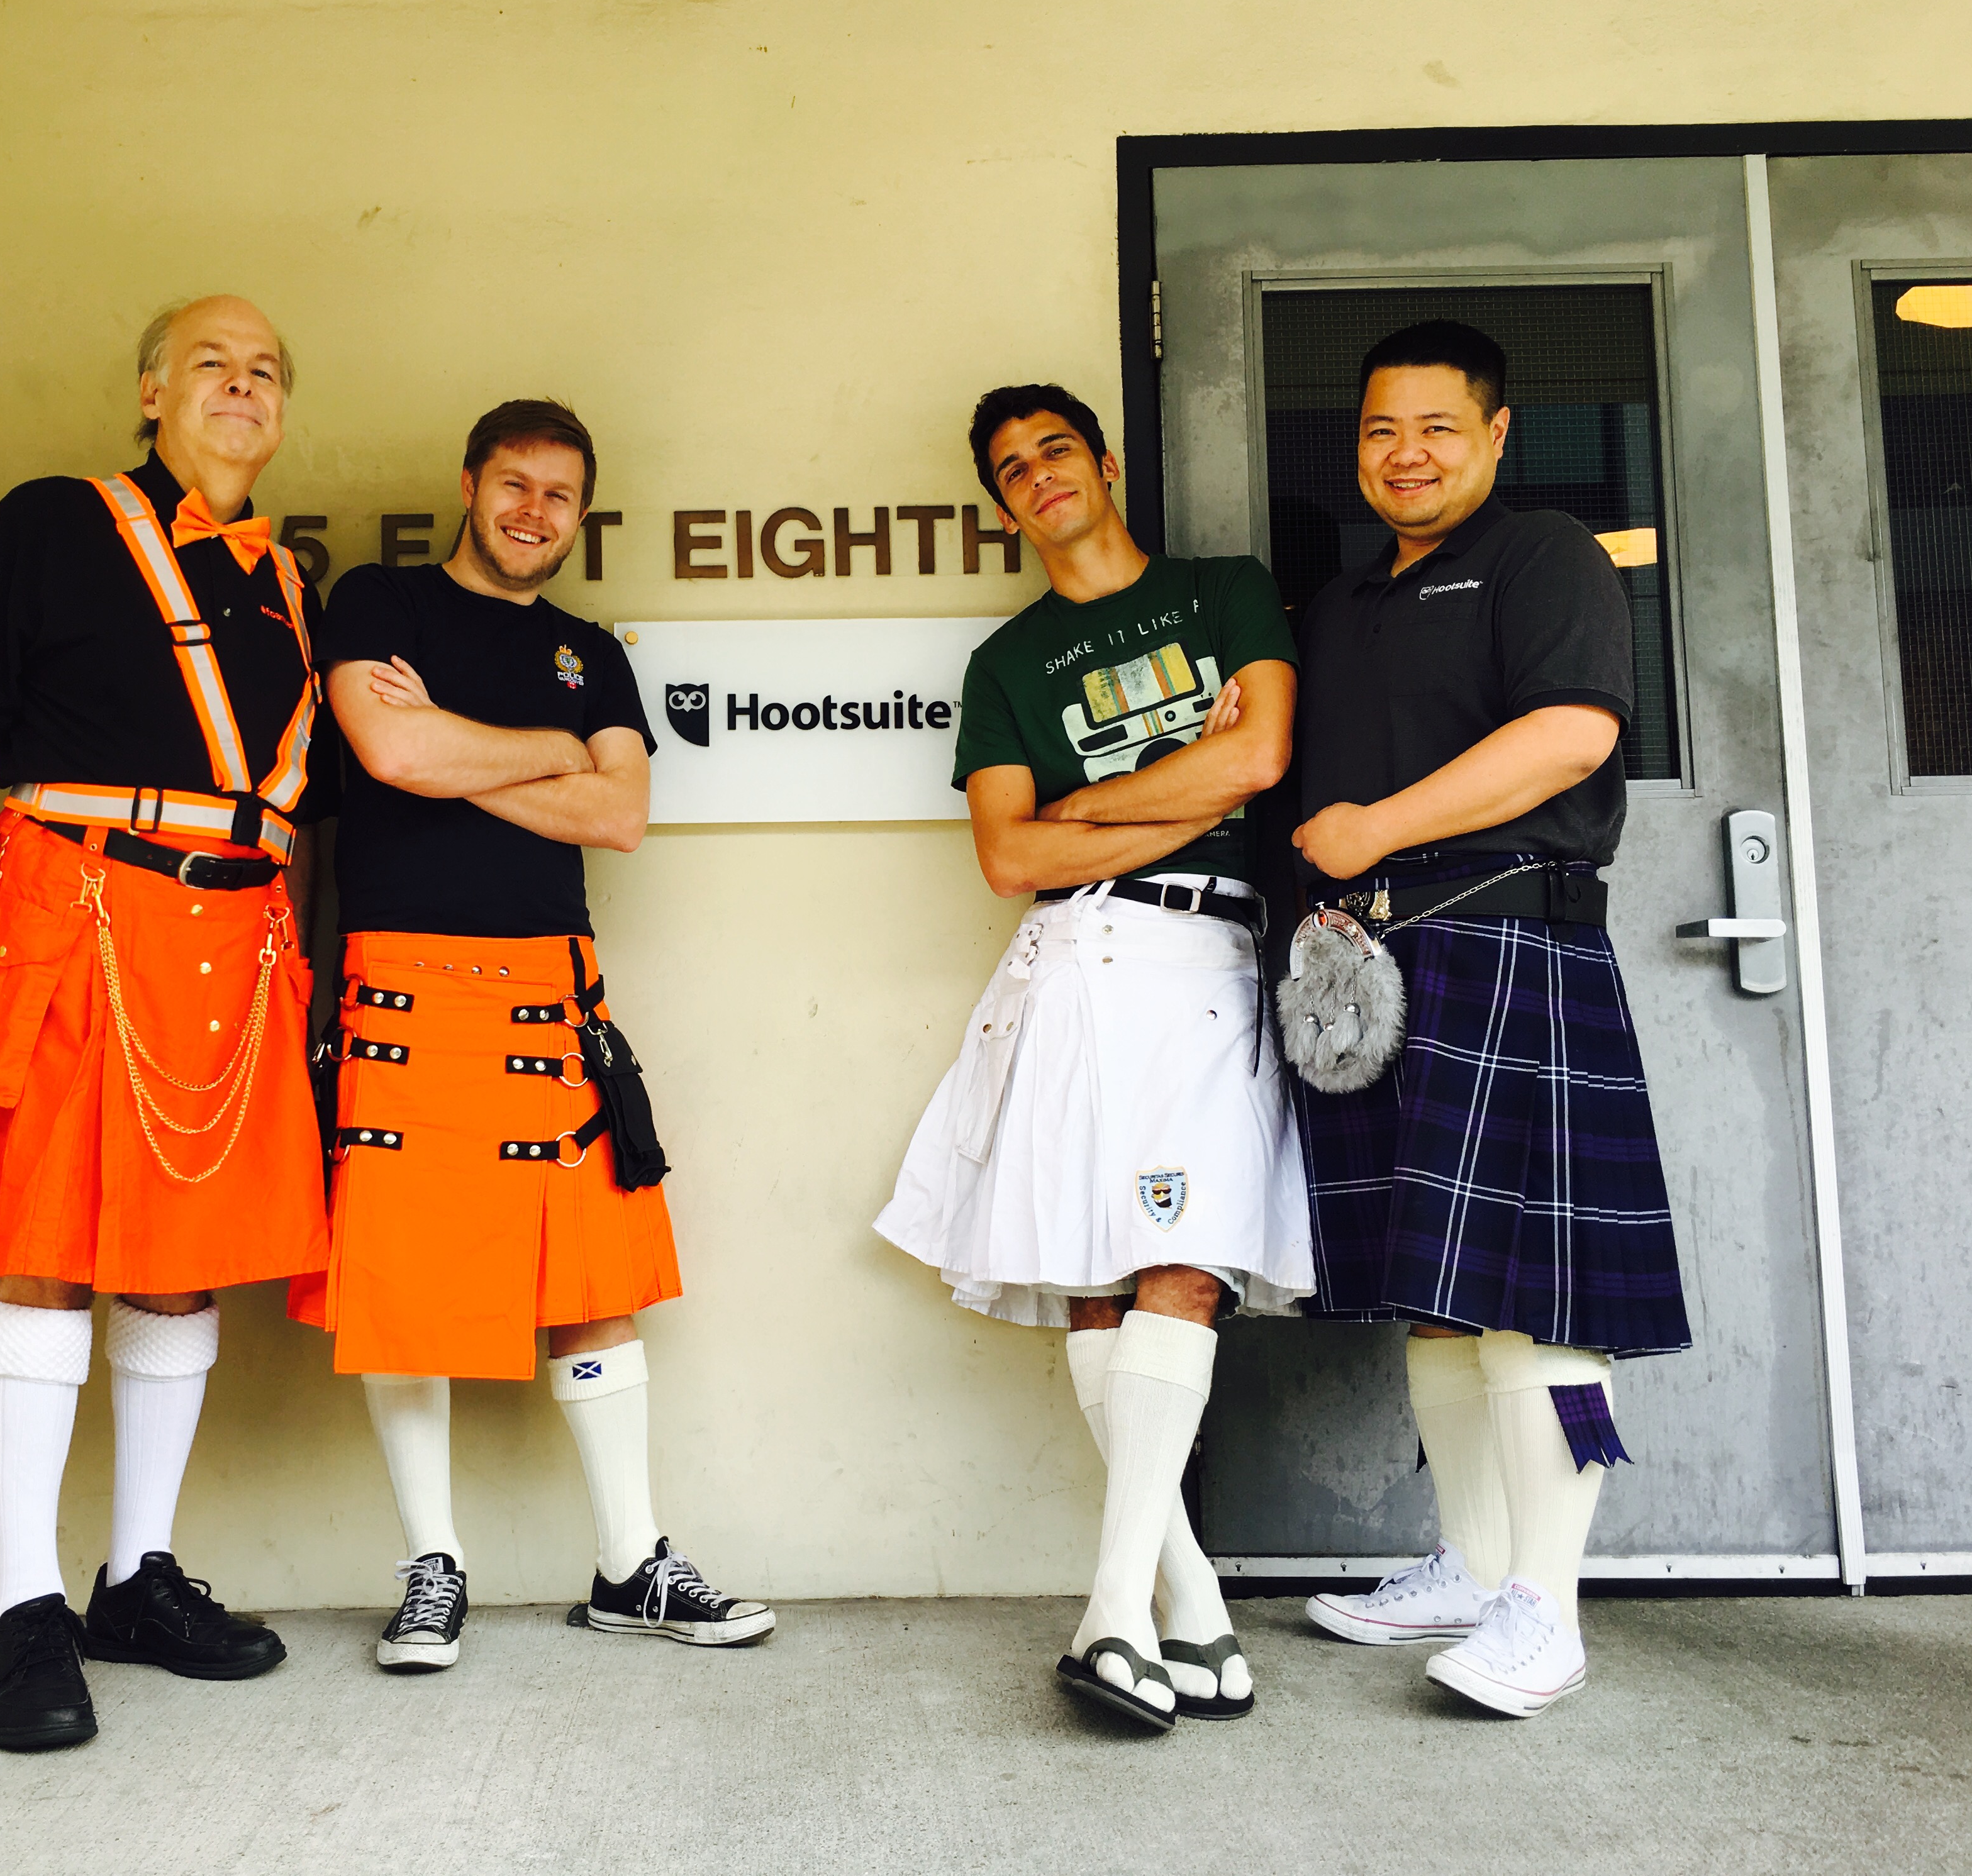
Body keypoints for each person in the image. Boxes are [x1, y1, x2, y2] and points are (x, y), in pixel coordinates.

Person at [0, 296, 326, 1751]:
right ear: (149, 394)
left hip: (230, 947)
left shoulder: (286, 583)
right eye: (209, 364)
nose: (240, 386)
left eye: (265, 371)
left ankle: (136, 1580)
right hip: (72, 915)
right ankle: (21, 1610)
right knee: (45, 1254)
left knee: (179, 1273)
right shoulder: (53, 521)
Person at [288, 398, 772, 1670]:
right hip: (400, 989)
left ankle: (631, 1566)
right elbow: (390, 752)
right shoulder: (382, 604)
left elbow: (620, 817)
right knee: (403, 1291)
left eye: (559, 494)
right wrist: (553, 758)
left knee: (590, 1288)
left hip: (551, 993)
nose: (533, 511)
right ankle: (431, 1569)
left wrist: (471, 753)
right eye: (514, 483)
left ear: (581, 513)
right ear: (469, 483)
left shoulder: (589, 654)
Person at [876, 384, 1313, 1733]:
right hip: (1075, 961)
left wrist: (1090, 807)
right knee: (1090, 1276)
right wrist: (1186, 785)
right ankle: (1195, 1612)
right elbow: (1012, 857)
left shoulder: (1222, 591)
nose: (1037, 477)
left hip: (1210, 962)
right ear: (1002, 505)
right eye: (1011, 469)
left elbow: (1263, 756)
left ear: (1106, 463)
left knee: (1185, 1261)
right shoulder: (1009, 663)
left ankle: (1115, 1611)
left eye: (1054, 450)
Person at [1288, 320, 1690, 1717]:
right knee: (1440, 1293)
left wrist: (1376, 829)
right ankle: (1468, 1565)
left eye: (1437, 428)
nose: (1406, 455)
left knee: (1536, 1295)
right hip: (1371, 968)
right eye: (1380, 431)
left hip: (1509, 936)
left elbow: (1573, 735)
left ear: (1498, 433)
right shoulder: (1342, 604)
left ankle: (1546, 1608)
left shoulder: (1544, 556)